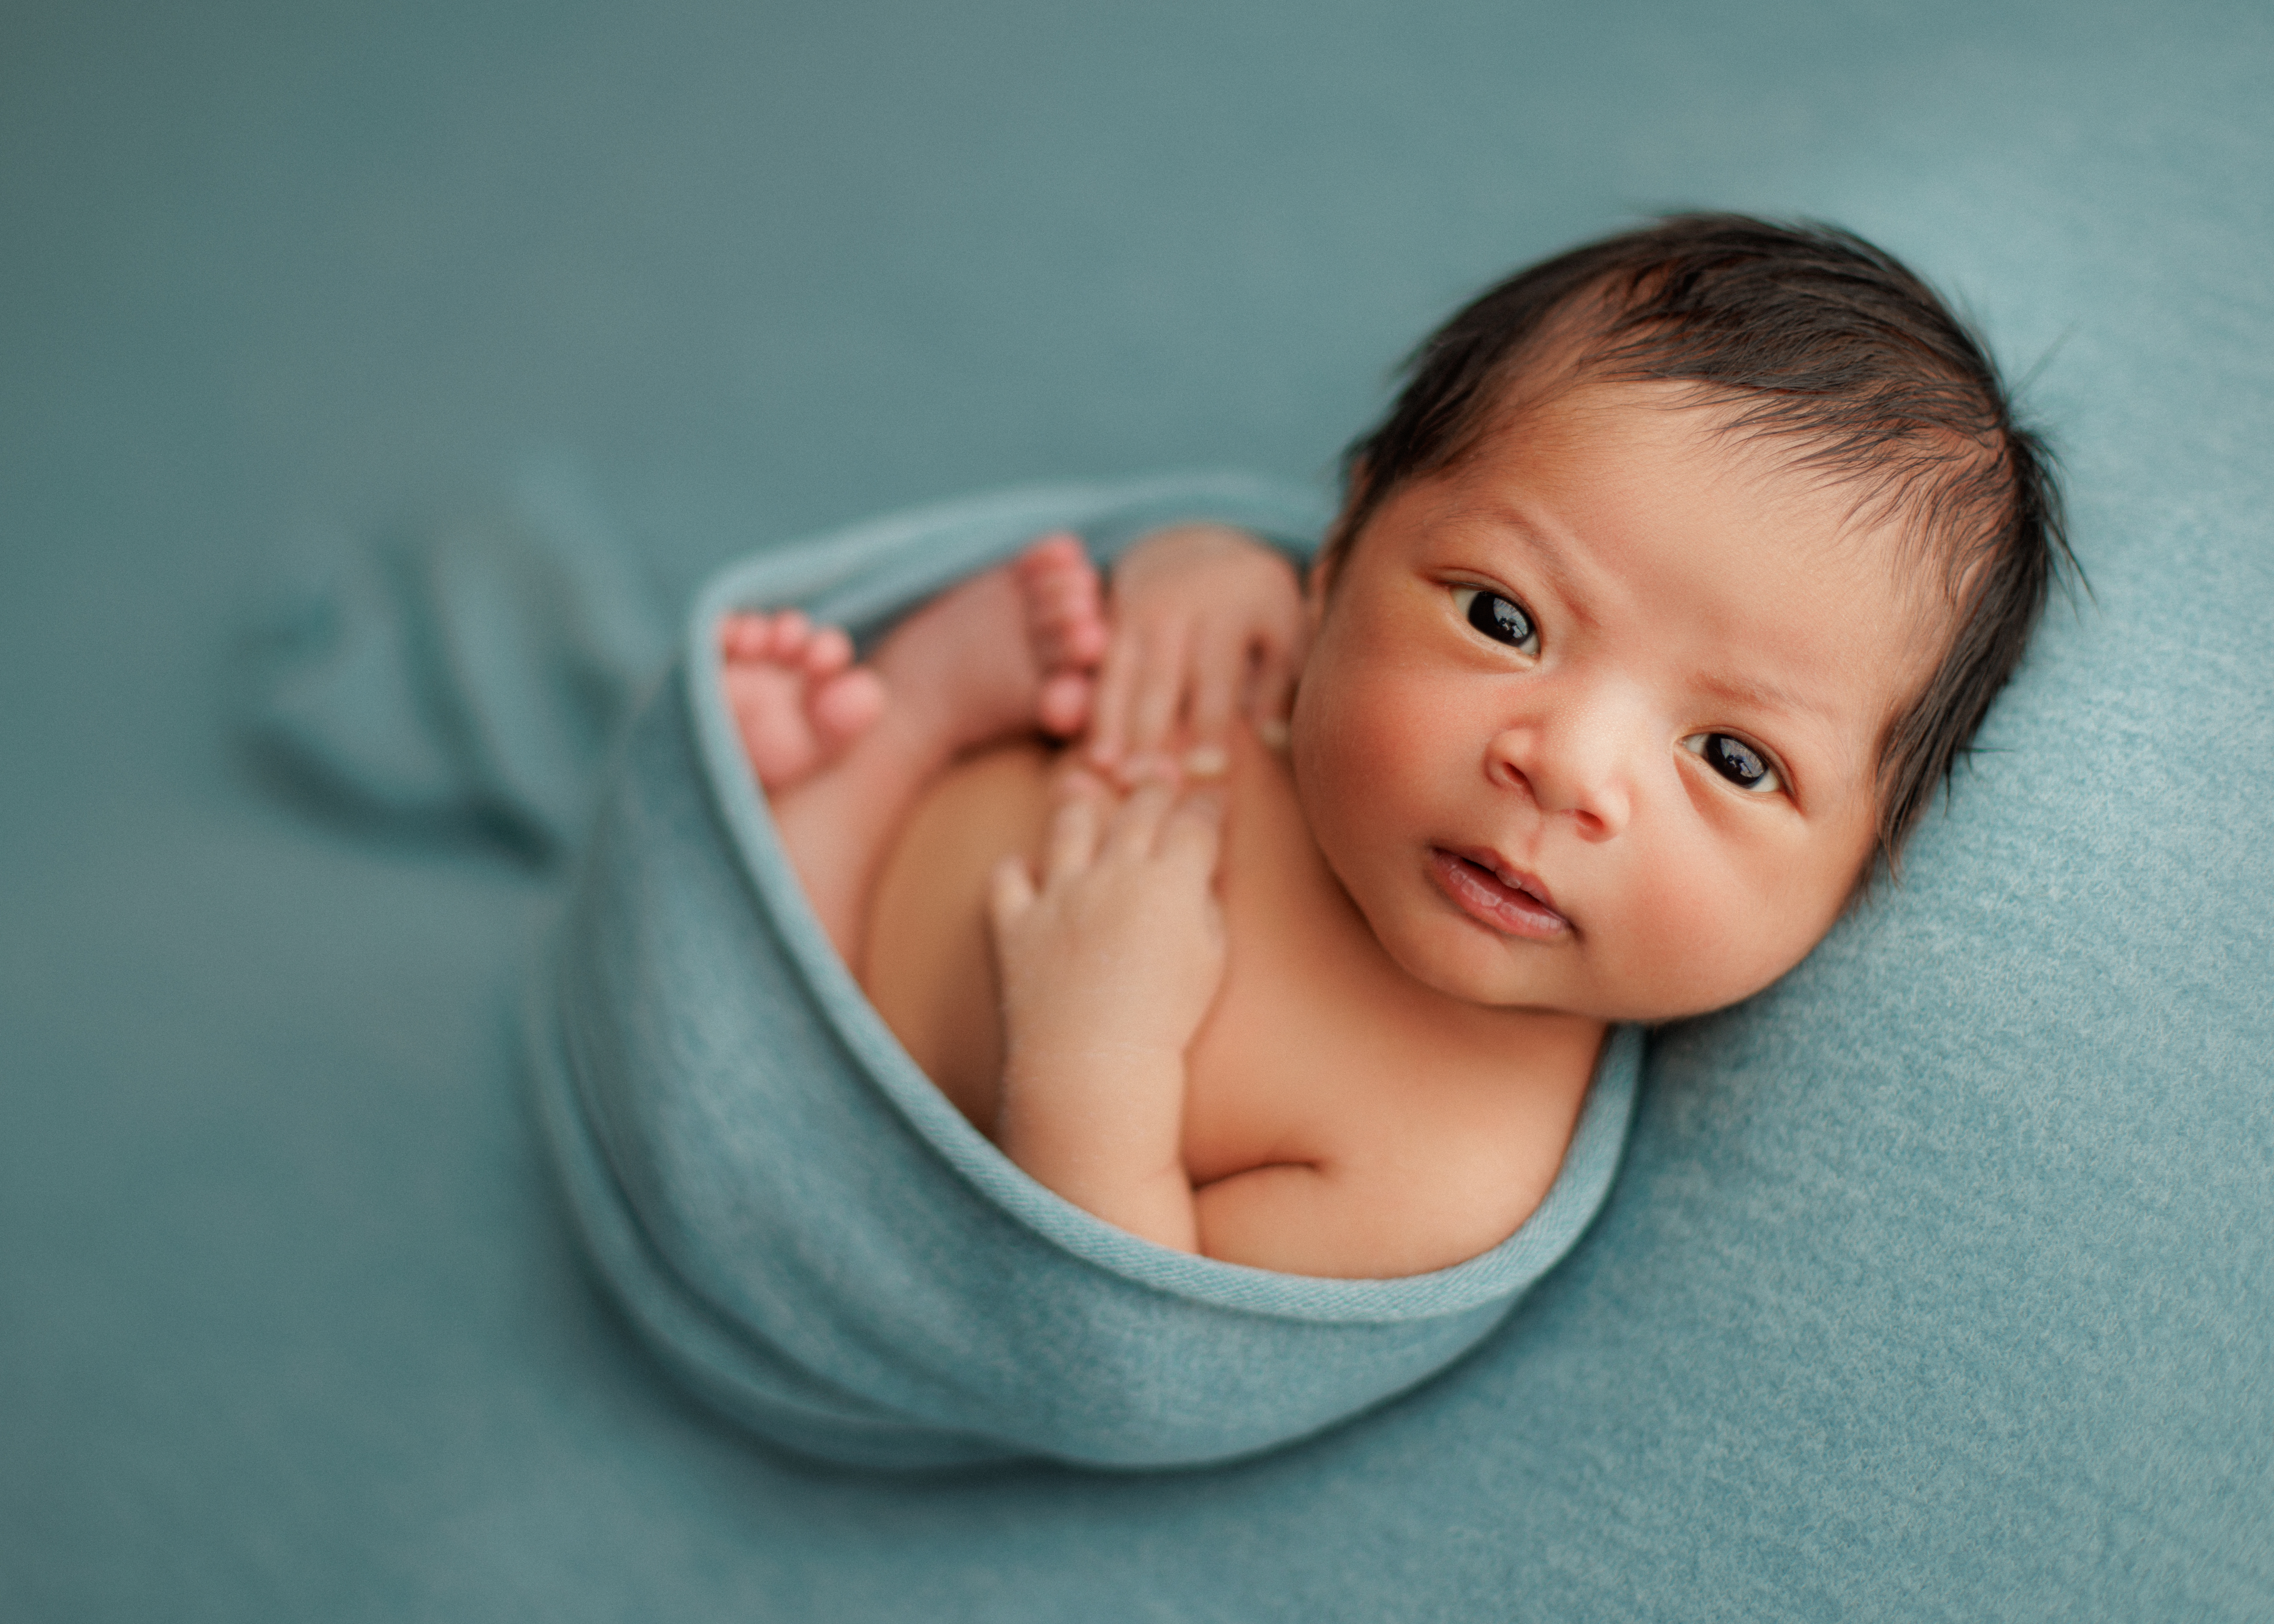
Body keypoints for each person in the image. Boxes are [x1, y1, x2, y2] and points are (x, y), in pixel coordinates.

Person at [716, 214, 2069, 1279]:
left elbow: (1116, 1327)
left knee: (760, 1017)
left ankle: (845, 770)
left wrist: (1090, 1057)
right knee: (1094, 632)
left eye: (1731, 758)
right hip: (862, 867)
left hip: (813, 1094)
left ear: (1871, 860)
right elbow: (1244, 575)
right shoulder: (1298, 655)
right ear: (1349, 546)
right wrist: (1201, 574)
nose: (1566, 768)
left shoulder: (1451, 1166)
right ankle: (892, 732)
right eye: (1503, 616)